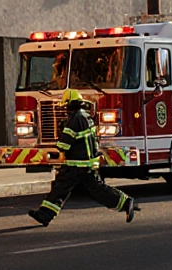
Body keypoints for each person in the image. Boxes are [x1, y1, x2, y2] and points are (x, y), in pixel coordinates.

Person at [29, 89, 139, 227]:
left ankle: (45, 215)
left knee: (61, 187)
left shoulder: (75, 119)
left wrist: (59, 137)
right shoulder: (86, 116)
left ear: (69, 104)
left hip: (78, 164)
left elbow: (64, 145)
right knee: (95, 190)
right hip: (86, 163)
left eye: (65, 106)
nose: (64, 109)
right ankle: (125, 203)